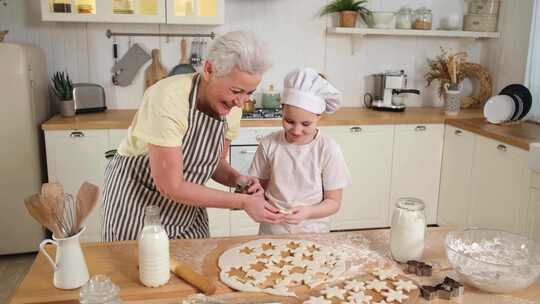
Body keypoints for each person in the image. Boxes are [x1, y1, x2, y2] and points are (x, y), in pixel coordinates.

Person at [101, 31, 285, 242]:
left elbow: (214, 163)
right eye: (236, 90)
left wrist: (238, 179)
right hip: (137, 205)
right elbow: (170, 186)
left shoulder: (232, 109)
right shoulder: (167, 98)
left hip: (187, 209)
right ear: (209, 70)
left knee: (195, 268)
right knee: (142, 270)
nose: (241, 102)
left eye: (249, 93)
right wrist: (242, 202)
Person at [249, 67, 351, 235]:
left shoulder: (327, 149)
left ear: (319, 117)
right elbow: (258, 189)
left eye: (306, 124)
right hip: (273, 230)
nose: (296, 131)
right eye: (289, 121)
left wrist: (308, 212)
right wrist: (256, 200)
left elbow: (333, 202)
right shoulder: (269, 144)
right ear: (282, 111)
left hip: (313, 231)